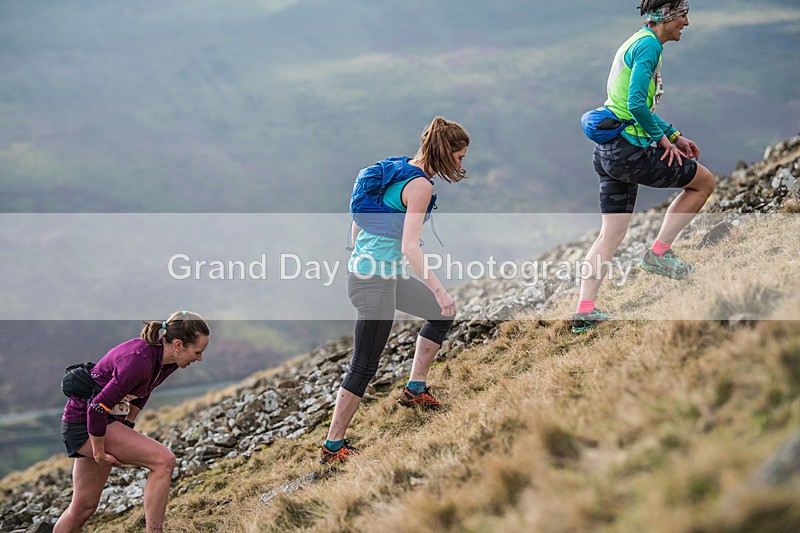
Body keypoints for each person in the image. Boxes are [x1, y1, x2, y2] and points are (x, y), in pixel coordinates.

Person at [320, 116, 470, 463]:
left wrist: (364, 254)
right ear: (446, 152)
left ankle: (415, 389)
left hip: (372, 275)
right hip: (374, 283)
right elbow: (410, 247)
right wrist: (439, 288)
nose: (462, 164)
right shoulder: (421, 186)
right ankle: (333, 447)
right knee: (364, 364)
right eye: (460, 157)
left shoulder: (398, 169)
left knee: (440, 315)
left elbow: (359, 222)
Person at [572, 0, 716, 333]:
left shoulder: (638, 40)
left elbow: (628, 104)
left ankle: (584, 311)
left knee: (612, 233)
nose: (687, 22)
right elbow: (636, 102)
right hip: (629, 151)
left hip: (608, 151)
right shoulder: (649, 46)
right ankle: (659, 254)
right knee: (703, 182)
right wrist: (663, 140)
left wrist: (673, 134)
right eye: (682, 15)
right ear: (667, 16)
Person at [54, 311, 210, 533]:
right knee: (163, 461)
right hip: (84, 423)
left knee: (83, 508)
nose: (200, 358)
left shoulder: (167, 361)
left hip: (100, 422)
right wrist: (99, 453)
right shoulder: (139, 360)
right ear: (178, 345)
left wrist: (128, 423)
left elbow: (145, 390)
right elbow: (97, 408)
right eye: (198, 352)